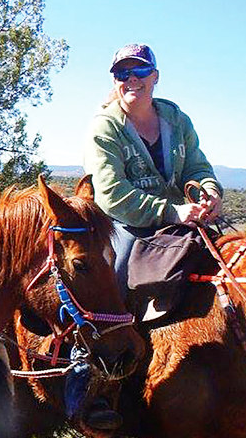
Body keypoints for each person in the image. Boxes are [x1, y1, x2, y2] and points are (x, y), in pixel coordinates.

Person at [83, 43, 223, 291]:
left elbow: (196, 167)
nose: (132, 78)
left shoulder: (177, 121)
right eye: (122, 74)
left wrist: (209, 193)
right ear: (115, 81)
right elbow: (112, 196)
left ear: (155, 76)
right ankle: (110, 328)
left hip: (180, 218)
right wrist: (172, 212)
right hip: (124, 224)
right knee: (116, 280)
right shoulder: (105, 128)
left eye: (140, 70)